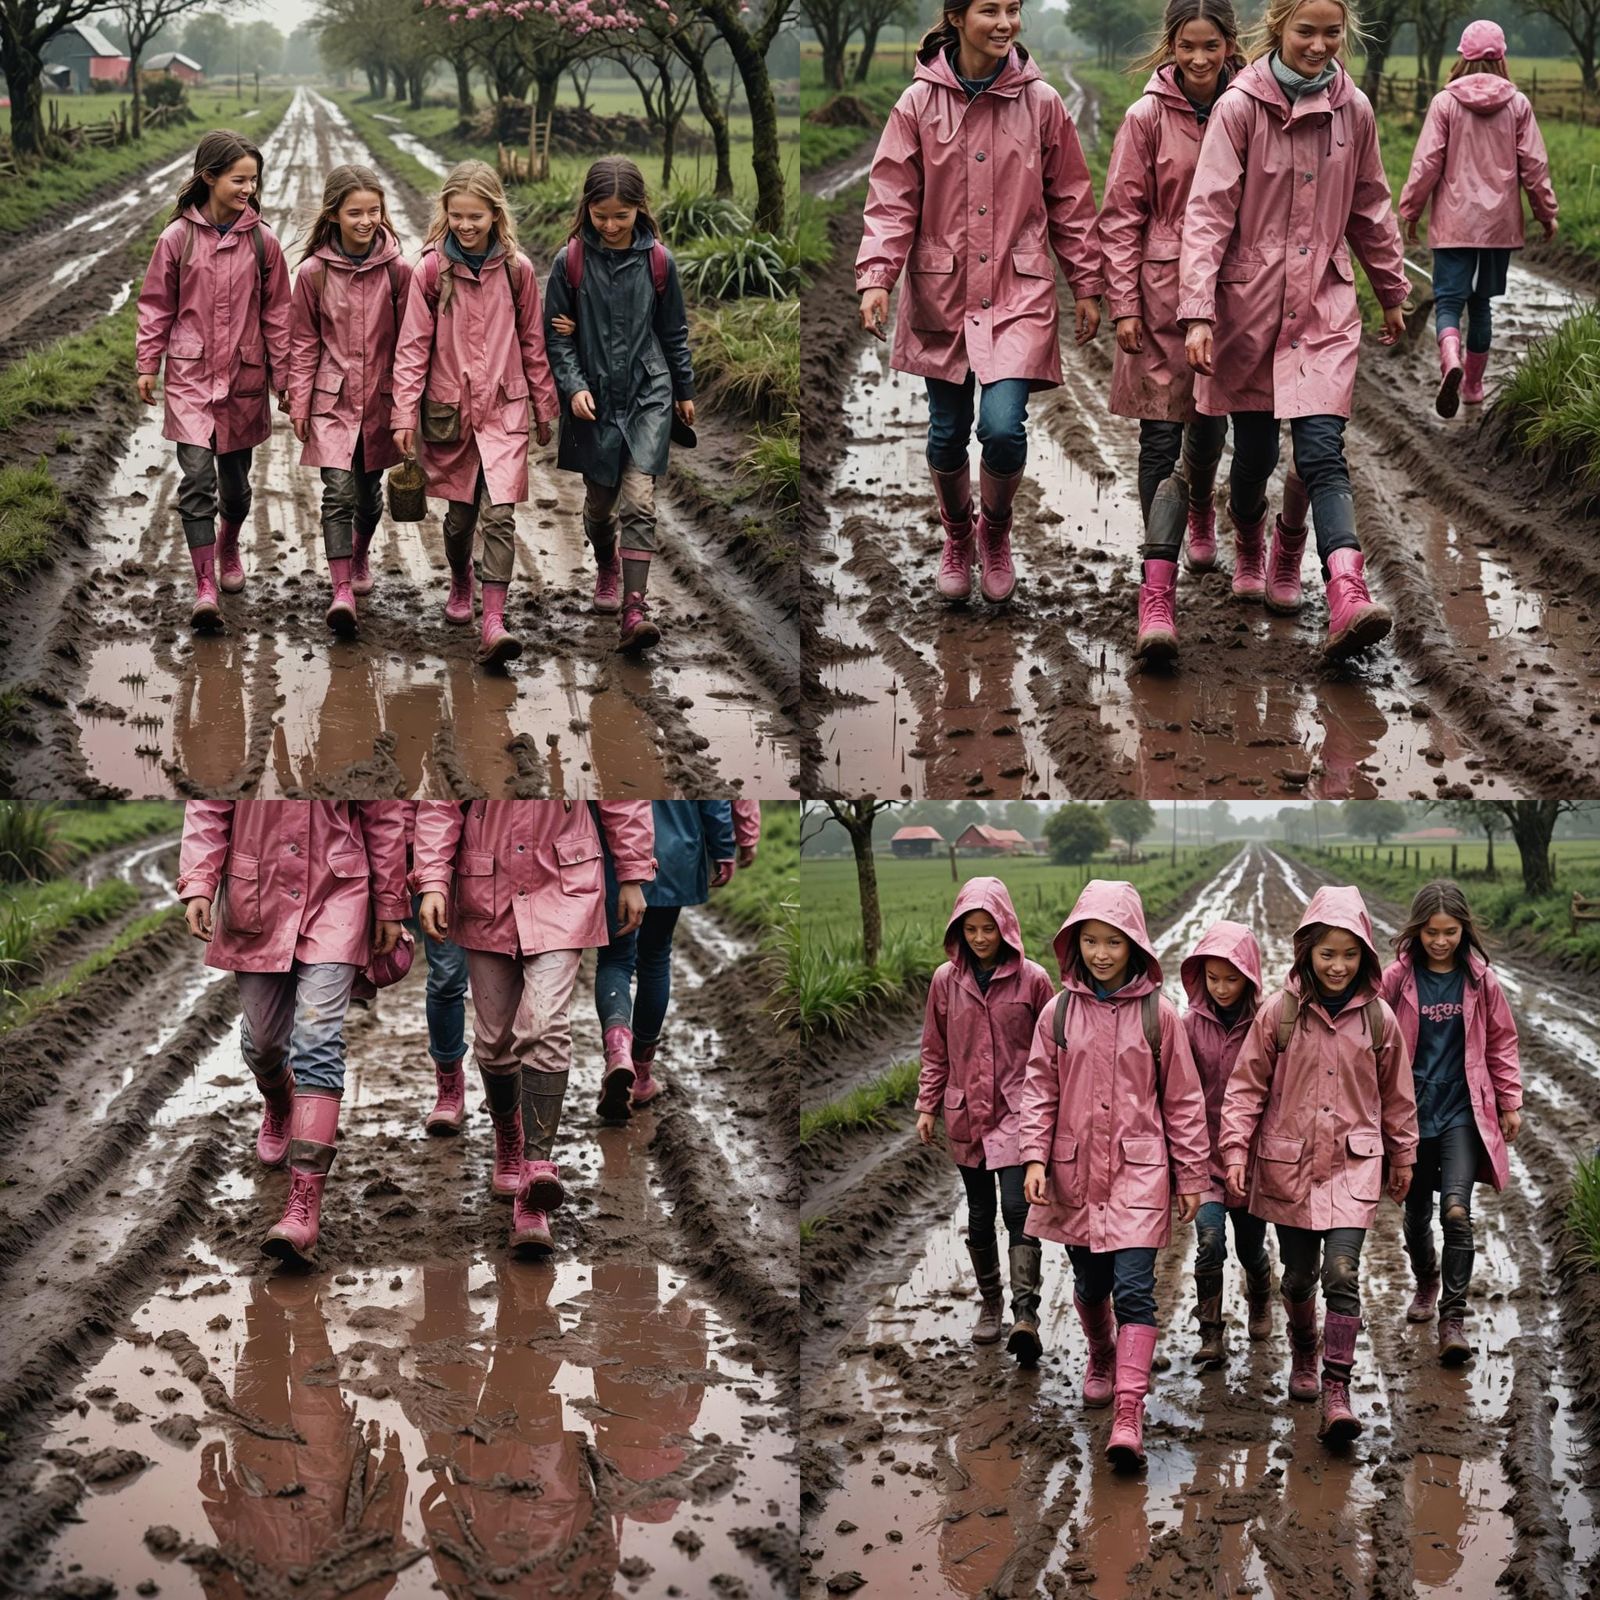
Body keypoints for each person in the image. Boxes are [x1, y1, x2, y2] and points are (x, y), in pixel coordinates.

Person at [1179, 0, 1411, 659]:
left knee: (1320, 451)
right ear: (1276, 28)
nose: (1319, 44)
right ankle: (1250, 540)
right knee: (1251, 456)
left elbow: (1371, 205)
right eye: (1305, 30)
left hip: (1325, 308)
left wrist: (1391, 290)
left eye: (1330, 31)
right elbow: (1208, 213)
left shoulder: (1354, 109)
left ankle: (1341, 587)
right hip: (1247, 308)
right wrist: (1197, 309)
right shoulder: (1240, 107)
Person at [856, 0, 1103, 605]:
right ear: (958, 17)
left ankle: (995, 533)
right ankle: (957, 536)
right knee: (946, 435)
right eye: (990, 10)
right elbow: (892, 198)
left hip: (1018, 292)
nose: (1005, 23)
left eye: (1014, 10)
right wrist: (876, 277)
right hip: (943, 292)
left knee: (1001, 427)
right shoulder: (916, 104)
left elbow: (1070, 199)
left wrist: (1089, 284)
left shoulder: (1042, 103)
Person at [1100, 0, 1305, 662]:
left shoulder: (1256, 107)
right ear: (1171, 45)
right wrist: (1124, 304)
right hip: (1161, 301)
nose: (1197, 58)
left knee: (1223, 431)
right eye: (1186, 45)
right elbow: (1121, 216)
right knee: (1160, 437)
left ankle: (1224, 522)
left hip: (1239, 295)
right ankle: (1156, 586)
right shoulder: (1144, 117)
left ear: (1229, 45)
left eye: (1210, 45)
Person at [1018, 880, 1210, 1469]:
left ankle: (1129, 1411)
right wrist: (1033, 1157)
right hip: (1075, 1175)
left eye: (1114, 942)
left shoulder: (1161, 1016)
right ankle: (1100, 1356)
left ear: (1135, 946)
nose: (1101, 953)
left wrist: (1192, 1174)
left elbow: (1182, 1101)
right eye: (1091, 941)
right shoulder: (1057, 1013)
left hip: (1139, 1176)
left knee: (1133, 1290)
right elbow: (1039, 1091)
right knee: (1091, 1284)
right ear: (1075, 943)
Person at [1220, 884, 1417, 1444]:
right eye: (1327, 954)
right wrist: (1234, 1149)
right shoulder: (1278, 1014)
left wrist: (1403, 1155)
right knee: (1300, 1276)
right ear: (1306, 951)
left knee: (1343, 1275)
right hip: (1290, 1167)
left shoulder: (1379, 1020)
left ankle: (1337, 1388)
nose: (1338, 965)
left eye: (1349, 954)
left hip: (1354, 1168)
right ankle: (1304, 1350)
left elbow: (1398, 1098)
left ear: (1366, 956)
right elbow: (1245, 1090)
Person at [413, 801, 654, 1256]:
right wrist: (432, 881)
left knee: (543, 1027)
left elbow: (623, 794)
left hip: (564, 885)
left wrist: (634, 873)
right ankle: (509, 1141)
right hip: (486, 888)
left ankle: (534, 1175)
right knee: (494, 1043)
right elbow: (440, 803)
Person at [175, 800, 408, 1264]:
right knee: (263, 1045)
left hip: (338, 892)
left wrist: (389, 902)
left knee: (318, 1039)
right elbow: (208, 806)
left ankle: (302, 1204)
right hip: (257, 890)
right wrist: (201, 882)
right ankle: (280, 1099)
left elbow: (382, 814)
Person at [391, 161, 558, 666]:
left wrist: (544, 405)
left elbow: (532, 341)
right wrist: (403, 415)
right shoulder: (430, 271)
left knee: (500, 515)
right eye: (457, 215)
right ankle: (461, 577)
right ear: (445, 212)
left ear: (495, 214)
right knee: (461, 518)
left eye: (476, 216)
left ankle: (493, 621)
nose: (466, 225)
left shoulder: (517, 269)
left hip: (504, 409)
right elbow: (412, 348)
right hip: (451, 412)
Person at [136, 130, 291, 630]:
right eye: (238, 179)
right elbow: (157, 305)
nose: (248, 188)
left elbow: (278, 315)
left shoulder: (263, 242)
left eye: (254, 180)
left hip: (243, 378)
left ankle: (228, 545)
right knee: (196, 478)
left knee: (236, 488)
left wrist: (283, 379)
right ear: (209, 178)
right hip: (189, 377)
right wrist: (147, 362)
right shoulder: (176, 239)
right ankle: (204, 584)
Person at [544, 157, 695, 652]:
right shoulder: (569, 263)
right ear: (585, 208)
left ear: (639, 211)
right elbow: (556, 337)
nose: (609, 226)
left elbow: (673, 332)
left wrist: (684, 390)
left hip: (648, 392)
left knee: (640, 500)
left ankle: (635, 607)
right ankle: (606, 563)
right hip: (594, 398)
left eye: (621, 216)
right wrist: (572, 385)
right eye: (600, 215)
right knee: (600, 505)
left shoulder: (659, 262)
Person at [1381, 880, 1521, 1363]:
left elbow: (1502, 1042)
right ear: (1417, 931)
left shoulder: (1482, 981)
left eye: (1450, 932)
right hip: (1410, 1113)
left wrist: (1509, 1101)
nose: (1441, 941)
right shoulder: (1395, 980)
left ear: (1464, 930)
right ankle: (1426, 1281)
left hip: (1463, 1110)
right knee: (1416, 1212)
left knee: (1457, 1212)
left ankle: (1453, 1319)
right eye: (1432, 932)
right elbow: (1372, 1037)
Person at [916, 878, 1055, 1351]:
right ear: (959, 931)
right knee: (979, 1213)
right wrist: (926, 1105)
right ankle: (991, 1303)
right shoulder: (944, 981)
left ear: (1006, 929)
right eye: (970, 929)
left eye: (988, 929)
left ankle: (1025, 1314)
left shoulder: (1033, 980)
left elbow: (1052, 1051)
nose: (979, 938)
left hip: (1019, 1112)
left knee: (1019, 1208)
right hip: (966, 1115)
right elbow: (935, 1050)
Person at [1399, 19, 1558, 417]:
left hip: (1453, 225)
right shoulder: (1518, 105)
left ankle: (1449, 358)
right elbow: (1534, 166)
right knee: (1482, 305)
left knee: (1449, 303)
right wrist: (1546, 213)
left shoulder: (1445, 103)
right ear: (1501, 56)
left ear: (1462, 57)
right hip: (1497, 228)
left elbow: (1426, 164)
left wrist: (1411, 211)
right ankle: (1471, 385)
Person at [288, 164, 412, 635]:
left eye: (373, 211)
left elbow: (411, 344)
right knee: (337, 493)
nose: (365, 221)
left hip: (380, 402)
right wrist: (299, 401)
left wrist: (405, 408)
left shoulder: (400, 272)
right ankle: (341, 589)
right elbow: (303, 343)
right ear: (334, 214)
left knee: (368, 494)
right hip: (331, 402)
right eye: (354, 212)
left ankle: (360, 556)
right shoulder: (313, 274)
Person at [594, 801, 736, 1119]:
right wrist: (723, 846)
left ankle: (617, 1051)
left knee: (614, 958)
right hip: (675, 852)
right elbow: (712, 793)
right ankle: (641, 1075)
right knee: (656, 957)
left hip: (613, 851)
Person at [1178, 920, 1275, 1364]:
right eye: (1212, 978)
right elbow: (1177, 1093)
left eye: (1231, 979)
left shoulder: (1266, 1025)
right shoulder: (1187, 1027)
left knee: (1250, 1248)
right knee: (1210, 1243)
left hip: (1252, 1160)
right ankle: (1211, 1334)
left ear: (1250, 978)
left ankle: (1259, 1295)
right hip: (1204, 1159)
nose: (1220, 987)